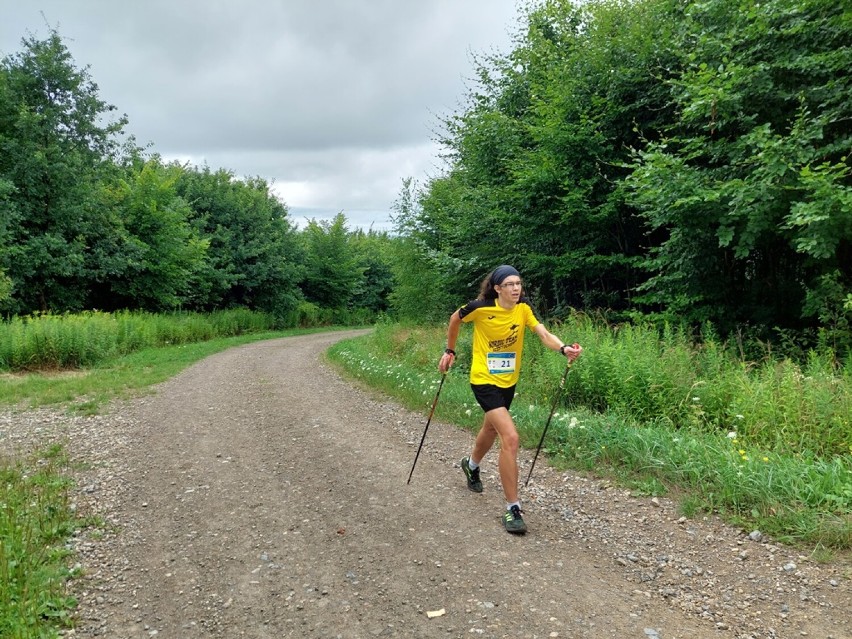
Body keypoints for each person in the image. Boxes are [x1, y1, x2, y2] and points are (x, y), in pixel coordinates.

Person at [438, 265, 582, 534]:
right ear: (497, 288)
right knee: (511, 437)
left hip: (508, 381)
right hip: (483, 379)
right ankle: (512, 508)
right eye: (510, 285)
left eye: (519, 284)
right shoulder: (480, 307)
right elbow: (454, 319)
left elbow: (543, 334)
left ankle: (470, 466)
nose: (516, 289)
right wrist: (450, 350)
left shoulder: (523, 309)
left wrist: (563, 349)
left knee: (491, 428)